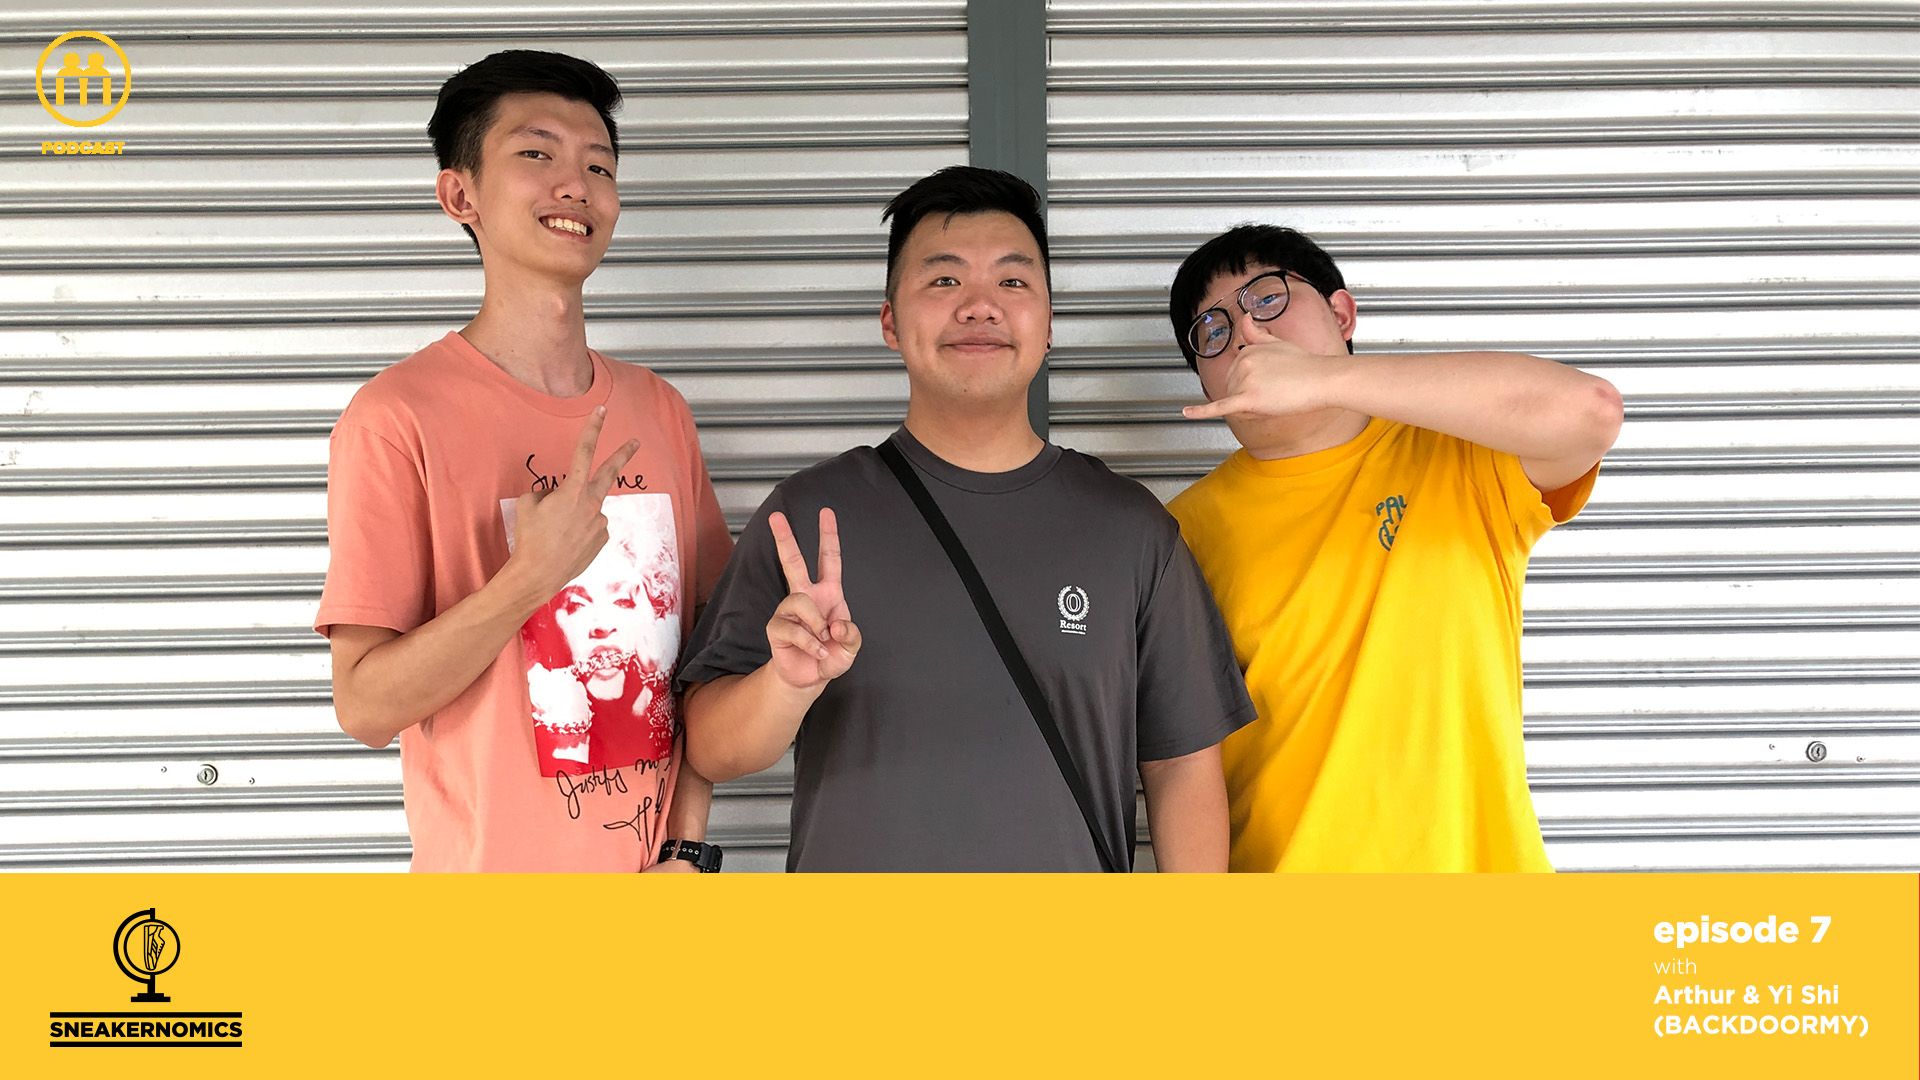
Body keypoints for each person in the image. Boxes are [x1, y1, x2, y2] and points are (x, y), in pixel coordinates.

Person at [676, 166, 1255, 872]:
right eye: (944, 280)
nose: (980, 307)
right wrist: (785, 685)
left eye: (1012, 281)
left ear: (1048, 326)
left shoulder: (1133, 529)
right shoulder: (809, 516)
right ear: (890, 322)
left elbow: (1183, 767)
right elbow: (709, 749)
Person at [314, 50, 732, 872]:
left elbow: (710, 662)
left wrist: (688, 848)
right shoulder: (397, 418)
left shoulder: (659, 411)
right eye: (537, 154)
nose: (575, 184)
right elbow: (363, 706)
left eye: (599, 166)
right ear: (459, 195)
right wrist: (528, 580)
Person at [1163, 224, 1624, 872]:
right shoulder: (1180, 533)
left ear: (1342, 314)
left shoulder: (1462, 457)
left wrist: (1325, 380)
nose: (1244, 332)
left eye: (1267, 298)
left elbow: (1591, 410)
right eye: (1212, 329)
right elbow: (1184, 764)